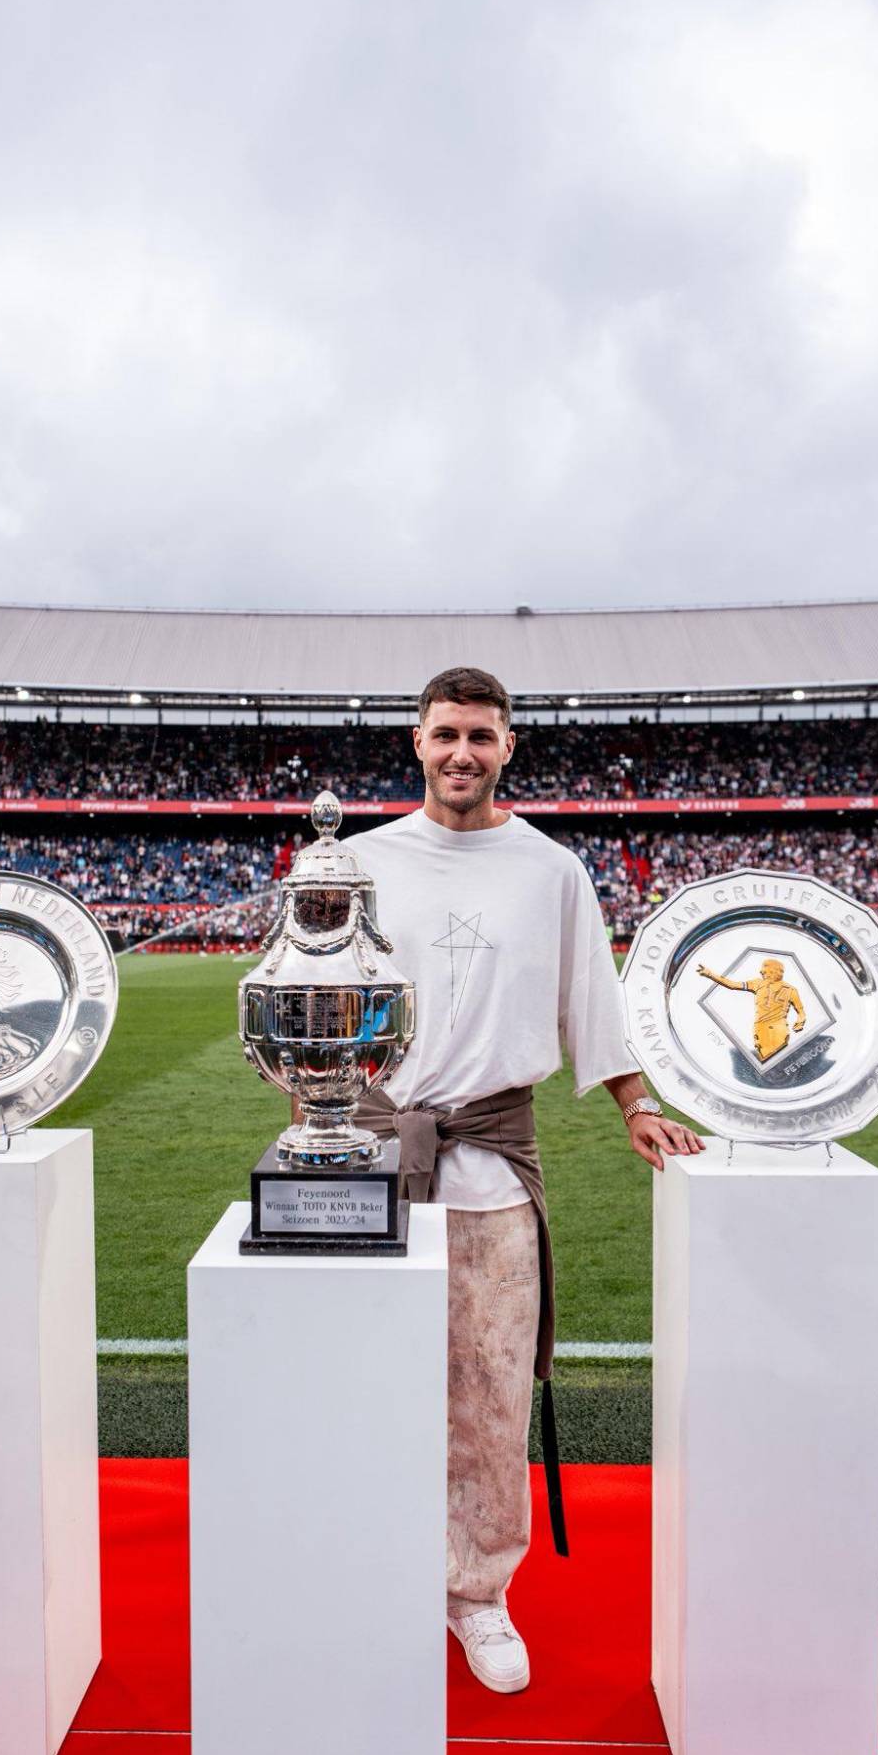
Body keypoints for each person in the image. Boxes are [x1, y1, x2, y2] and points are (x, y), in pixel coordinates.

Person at [350, 668, 703, 1695]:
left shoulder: (549, 868)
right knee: (369, 1378)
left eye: (482, 736)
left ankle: (477, 1593)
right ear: (414, 742)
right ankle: (371, 1567)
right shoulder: (360, 860)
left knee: (491, 1394)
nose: (462, 752)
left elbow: (587, 996)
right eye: (445, 733)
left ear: (508, 747)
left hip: (493, 1166)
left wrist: (636, 1101)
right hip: (373, 1154)